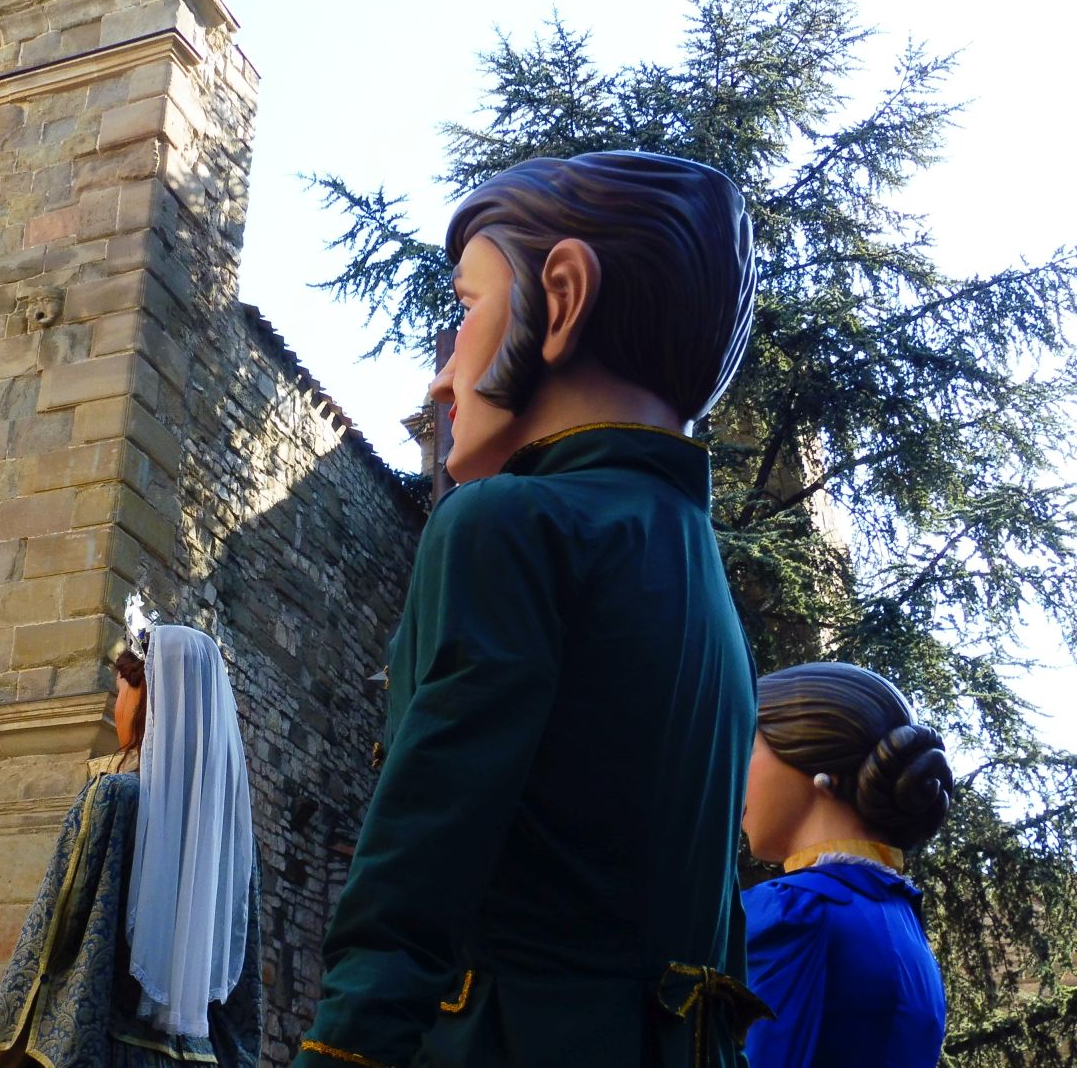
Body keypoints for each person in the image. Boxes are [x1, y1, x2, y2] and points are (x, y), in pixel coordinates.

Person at [294, 151, 768, 1067]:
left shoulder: (508, 522)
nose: (439, 381)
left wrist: (341, 1050)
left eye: (466, 307)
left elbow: (421, 857)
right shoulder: (700, 580)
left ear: (562, 295)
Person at [0, 623, 262, 1067]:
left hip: (108, 1045)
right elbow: (244, 985)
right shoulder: (238, 846)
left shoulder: (114, 798)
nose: (117, 706)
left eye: (121, 691)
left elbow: (52, 931)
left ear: (149, 702)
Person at [741, 662, 952, 1067]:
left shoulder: (791, 913)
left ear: (817, 762)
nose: (733, 771)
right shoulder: (908, 928)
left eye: (748, 749)